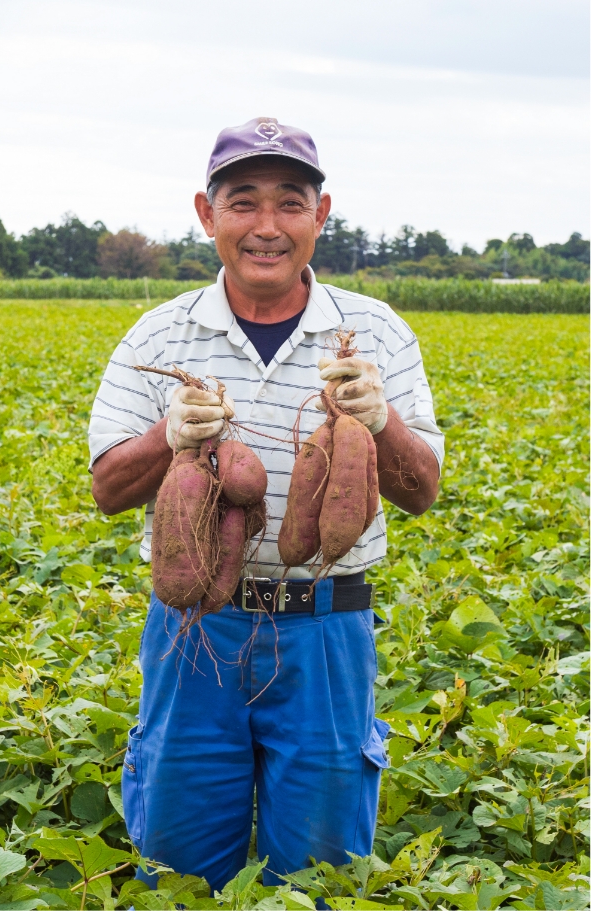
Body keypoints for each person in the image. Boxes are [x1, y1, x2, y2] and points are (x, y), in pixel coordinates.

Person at [88, 117, 443, 892]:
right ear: (205, 213)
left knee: (319, 868)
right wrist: (168, 436)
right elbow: (108, 488)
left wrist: (378, 422)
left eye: (290, 202)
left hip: (326, 622)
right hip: (194, 624)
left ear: (321, 215)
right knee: (178, 864)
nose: (266, 226)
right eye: (242, 202)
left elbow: (421, 492)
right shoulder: (159, 331)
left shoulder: (379, 332)